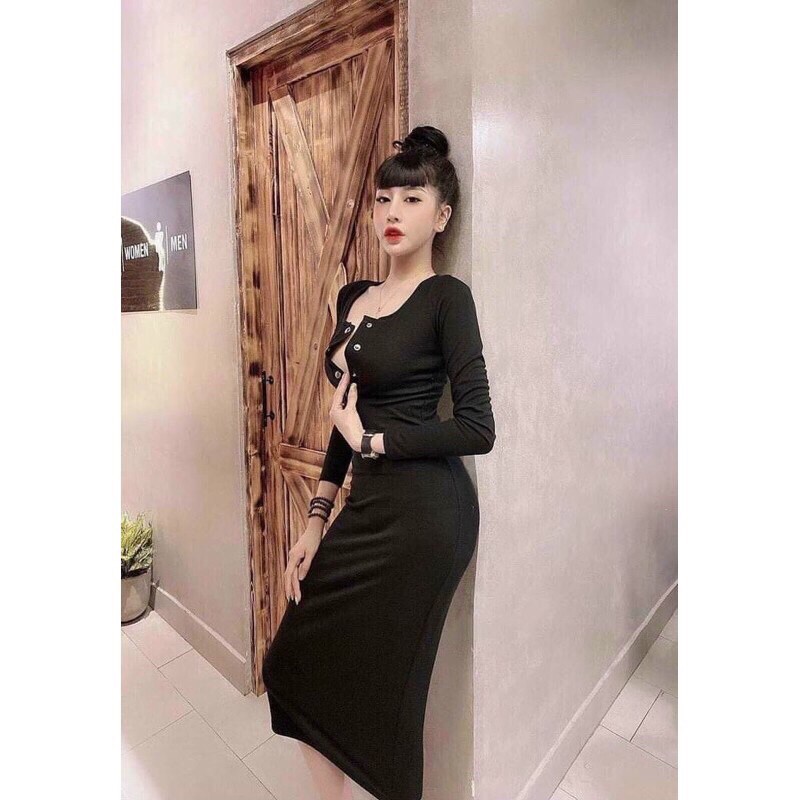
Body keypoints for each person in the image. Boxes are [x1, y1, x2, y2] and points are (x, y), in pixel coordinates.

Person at [262, 125, 496, 800]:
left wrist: (373, 444)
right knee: (293, 665)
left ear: (441, 216)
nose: (393, 212)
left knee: (391, 694)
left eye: (412, 199)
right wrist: (315, 521)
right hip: (365, 507)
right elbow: (344, 417)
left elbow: (477, 428)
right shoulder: (352, 298)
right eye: (384, 199)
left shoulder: (447, 299)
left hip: (429, 518)